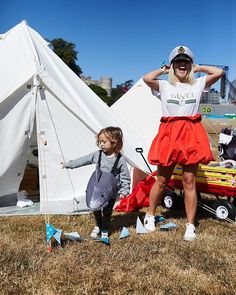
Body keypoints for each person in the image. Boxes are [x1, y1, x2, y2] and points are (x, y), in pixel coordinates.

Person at [143, 45, 224, 241]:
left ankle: (190, 225)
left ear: (190, 65)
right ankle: (150, 215)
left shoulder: (198, 84)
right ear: (172, 65)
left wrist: (199, 67)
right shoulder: (164, 85)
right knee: (162, 180)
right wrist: (163, 70)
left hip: (190, 133)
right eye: (178, 61)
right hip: (169, 133)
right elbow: (147, 78)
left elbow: (219, 72)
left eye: (185, 62)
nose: (182, 65)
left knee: (189, 181)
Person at [61, 126, 130, 241]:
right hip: (97, 189)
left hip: (110, 192)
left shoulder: (120, 160)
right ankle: (98, 225)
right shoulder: (98, 155)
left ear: (114, 142)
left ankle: (105, 229)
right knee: (96, 208)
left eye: (104, 141)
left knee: (107, 212)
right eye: (100, 142)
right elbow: (83, 160)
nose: (101, 144)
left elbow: (125, 177)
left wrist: (124, 190)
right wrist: (69, 164)